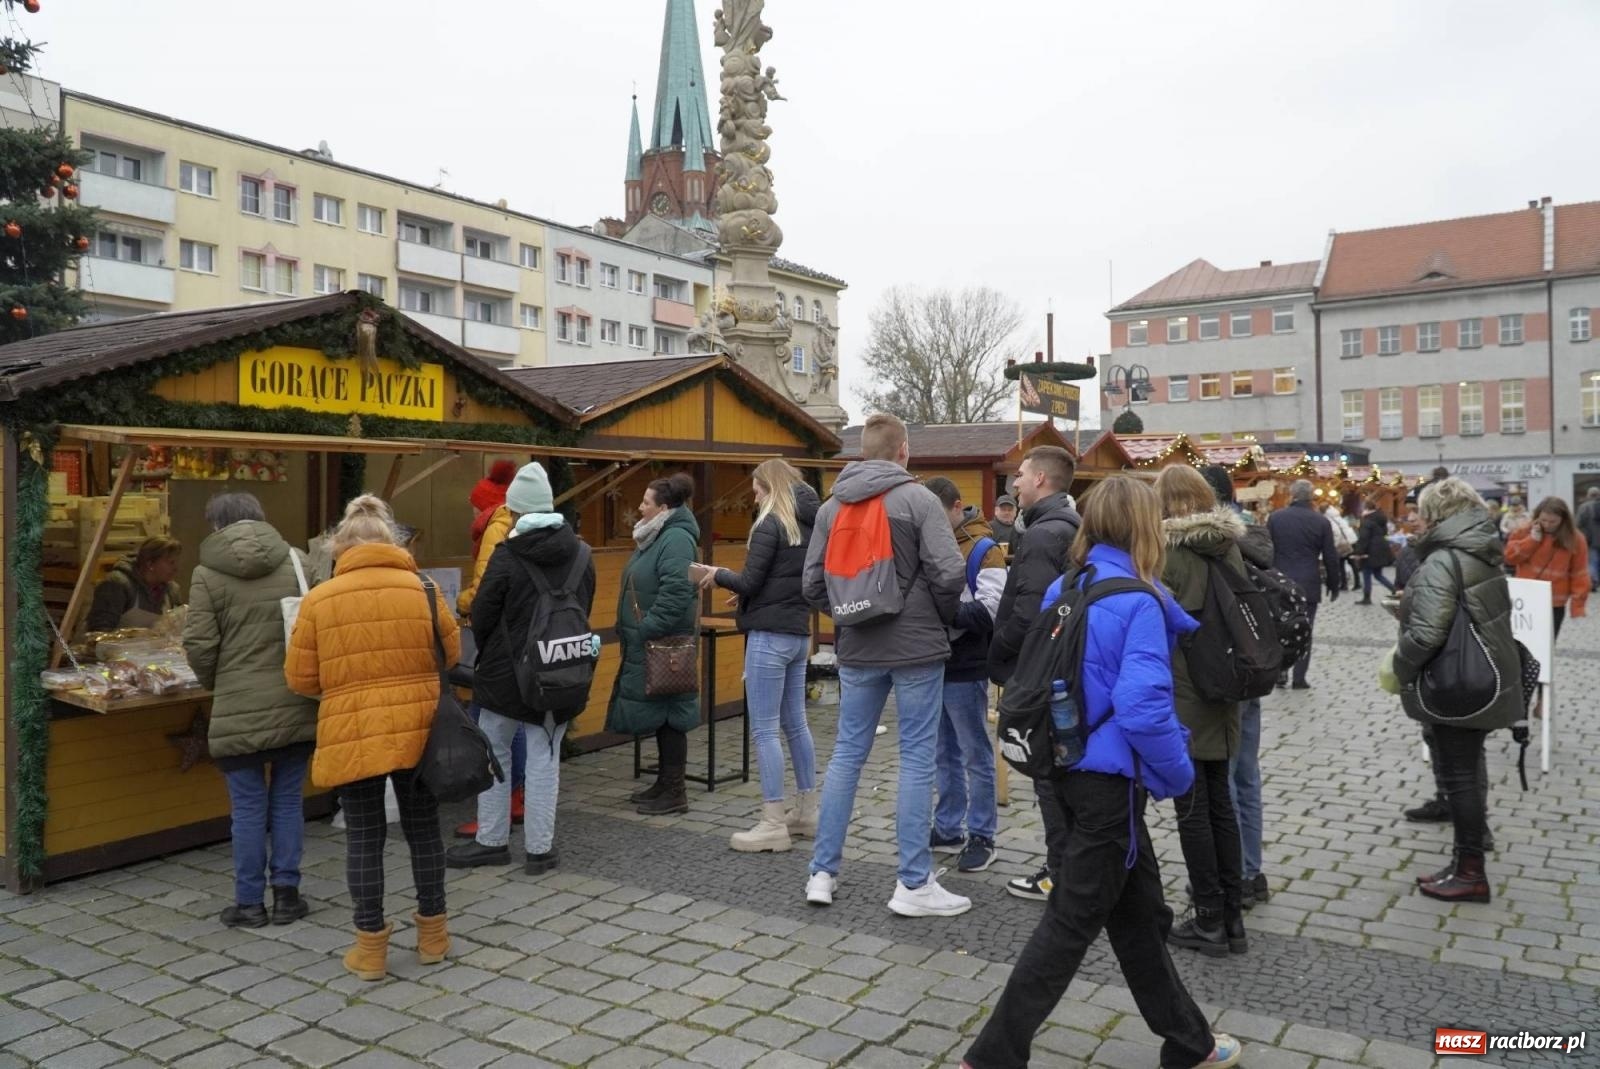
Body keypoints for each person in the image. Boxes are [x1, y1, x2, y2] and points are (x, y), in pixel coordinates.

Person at [960, 476, 1242, 1069]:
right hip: (1106, 788)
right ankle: (991, 1057)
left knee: (1140, 917)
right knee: (1070, 924)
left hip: (1060, 771)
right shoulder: (1138, 600)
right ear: (1146, 528)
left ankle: (1192, 1044)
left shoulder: (1068, 584)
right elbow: (1142, 705)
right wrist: (1177, 775)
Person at [285, 494, 460, 981]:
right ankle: (433, 937)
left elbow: (300, 679)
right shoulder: (423, 588)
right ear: (392, 541)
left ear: (340, 546)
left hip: (352, 728)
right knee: (424, 830)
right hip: (420, 725)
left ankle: (370, 950)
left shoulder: (320, 599)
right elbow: (450, 655)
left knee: (364, 836)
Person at [801, 414, 967, 916]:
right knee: (916, 756)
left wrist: (850, 614)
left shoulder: (832, 507)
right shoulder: (918, 500)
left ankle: (822, 874)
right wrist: (934, 615)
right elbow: (949, 571)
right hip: (916, 646)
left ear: (862, 452)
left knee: (848, 753)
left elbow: (811, 584)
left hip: (857, 648)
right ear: (904, 451)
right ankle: (913, 883)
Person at [446, 463, 595, 875]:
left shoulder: (507, 556)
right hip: (561, 672)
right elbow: (583, 609)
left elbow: (483, 614)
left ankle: (492, 841)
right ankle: (540, 851)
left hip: (503, 677)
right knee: (544, 758)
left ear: (515, 512)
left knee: (495, 751)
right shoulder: (582, 554)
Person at [183, 494, 317, 929]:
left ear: (216, 525)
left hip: (237, 709)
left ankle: (248, 903)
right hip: (295, 701)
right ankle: (286, 896)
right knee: (287, 800)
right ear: (261, 519)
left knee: (247, 807)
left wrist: (218, 685)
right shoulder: (297, 561)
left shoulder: (206, 574)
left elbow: (201, 646)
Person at [1393, 478, 1522, 903]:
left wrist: (1400, 667)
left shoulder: (1444, 560)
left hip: (1458, 683)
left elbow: (1427, 634)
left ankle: (1471, 872)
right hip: (1483, 678)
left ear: (1436, 515)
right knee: (1467, 772)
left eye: (1421, 512)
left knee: (1459, 778)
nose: (1416, 519)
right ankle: (1464, 861)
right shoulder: (1479, 551)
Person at [689, 459, 820, 852]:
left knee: (764, 729)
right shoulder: (810, 525)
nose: (754, 494)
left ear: (770, 486)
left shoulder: (769, 523)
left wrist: (717, 573)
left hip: (768, 638)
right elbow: (778, 581)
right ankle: (808, 811)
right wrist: (749, 592)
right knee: (796, 724)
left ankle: (773, 822)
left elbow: (750, 579)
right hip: (798, 633)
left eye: (758, 488)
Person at [1155, 465, 1248, 957]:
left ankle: (1208, 918)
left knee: (1191, 810)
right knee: (1221, 805)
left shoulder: (1166, 553)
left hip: (1185, 693)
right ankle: (1232, 918)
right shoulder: (1228, 544)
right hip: (1225, 689)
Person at [989, 445, 1081, 902]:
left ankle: (1058, 874)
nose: (1016, 484)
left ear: (1042, 480)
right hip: (1059, 665)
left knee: (1048, 776)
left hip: (1042, 668)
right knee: (1060, 775)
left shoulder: (1045, 535)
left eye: (1021, 476)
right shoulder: (1065, 526)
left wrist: (1000, 644)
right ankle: (1067, 869)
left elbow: (1031, 611)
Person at [1198, 466, 1274, 911]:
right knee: (1246, 774)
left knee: (1222, 777)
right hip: (1253, 666)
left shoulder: (1212, 539)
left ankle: (1230, 877)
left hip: (1221, 668)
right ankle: (1250, 872)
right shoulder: (1256, 535)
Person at [923, 477, 1006, 874]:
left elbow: (991, 612)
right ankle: (948, 826)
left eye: (938, 515)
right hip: (933, 663)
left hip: (967, 665)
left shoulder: (985, 550)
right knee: (943, 752)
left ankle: (983, 834)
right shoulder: (931, 541)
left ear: (958, 507)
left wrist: (941, 611)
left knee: (975, 753)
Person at [607, 473, 701, 816]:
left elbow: (678, 591)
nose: (640, 507)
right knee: (662, 714)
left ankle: (675, 792)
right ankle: (664, 783)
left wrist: (646, 628)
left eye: (646, 502)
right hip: (653, 642)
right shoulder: (656, 536)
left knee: (671, 715)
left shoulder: (675, 539)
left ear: (664, 507)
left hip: (664, 644)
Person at [455, 460, 525, 840]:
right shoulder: (508, 524)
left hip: (497, 642)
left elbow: (484, 587)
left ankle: (499, 808)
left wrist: (460, 604)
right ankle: (514, 798)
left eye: (473, 503)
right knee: (513, 723)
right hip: (515, 640)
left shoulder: (495, 527)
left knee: (493, 723)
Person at [1267, 480, 1341, 689]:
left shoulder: (1276, 518)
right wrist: (1334, 585)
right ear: (1311, 497)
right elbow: (1330, 557)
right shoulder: (1320, 522)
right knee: (1304, 629)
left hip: (1279, 582)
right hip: (1308, 583)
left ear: (1292, 495)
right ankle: (1299, 677)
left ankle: (1281, 671)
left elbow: (1267, 550)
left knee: (1279, 628)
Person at [1503, 497, 1589, 640]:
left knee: (1546, 645)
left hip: (1554, 602)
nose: (1547, 525)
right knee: (1522, 644)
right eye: (1544, 520)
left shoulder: (1575, 539)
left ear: (1563, 519)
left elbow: (1579, 574)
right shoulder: (1525, 531)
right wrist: (1532, 541)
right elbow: (1509, 558)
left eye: (1553, 522)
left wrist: (1577, 606)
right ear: (1537, 516)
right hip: (1526, 599)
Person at [87, 536, 185, 632]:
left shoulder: (172, 590)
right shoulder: (117, 585)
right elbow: (99, 630)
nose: (176, 568)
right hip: (114, 648)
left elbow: (177, 629)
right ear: (150, 564)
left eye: (176, 563)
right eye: (171, 563)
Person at [1355, 495, 1396, 605]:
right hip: (1381, 549)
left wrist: (1359, 552)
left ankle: (1366, 597)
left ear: (1366, 508)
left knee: (1366, 573)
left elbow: (1364, 537)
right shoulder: (1381, 518)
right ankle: (1395, 590)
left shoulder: (1367, 521)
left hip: (1370, 551)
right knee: (1378, 574)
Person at [1576, 486, 1600, 586]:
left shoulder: (1584, 507)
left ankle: (1593, 582)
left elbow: (1578, 523)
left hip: (1591, 540)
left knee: (1592, 562)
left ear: (1588, 495)